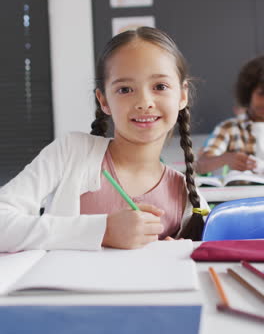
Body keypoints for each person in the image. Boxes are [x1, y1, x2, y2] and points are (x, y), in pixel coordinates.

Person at [0, 27, 209, 253]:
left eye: (160, 86)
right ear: (104, 100)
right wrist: (103, 230)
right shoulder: (71, 152)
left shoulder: (188, 197)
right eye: (125, 89)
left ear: (182, 95)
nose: (144, 101)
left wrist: (174, 254)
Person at [196, 56, 264, 175]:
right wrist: (225, 159)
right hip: (243, 193)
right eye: (261, 94)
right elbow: (200, 165)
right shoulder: (230, 128)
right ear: (248, 93)